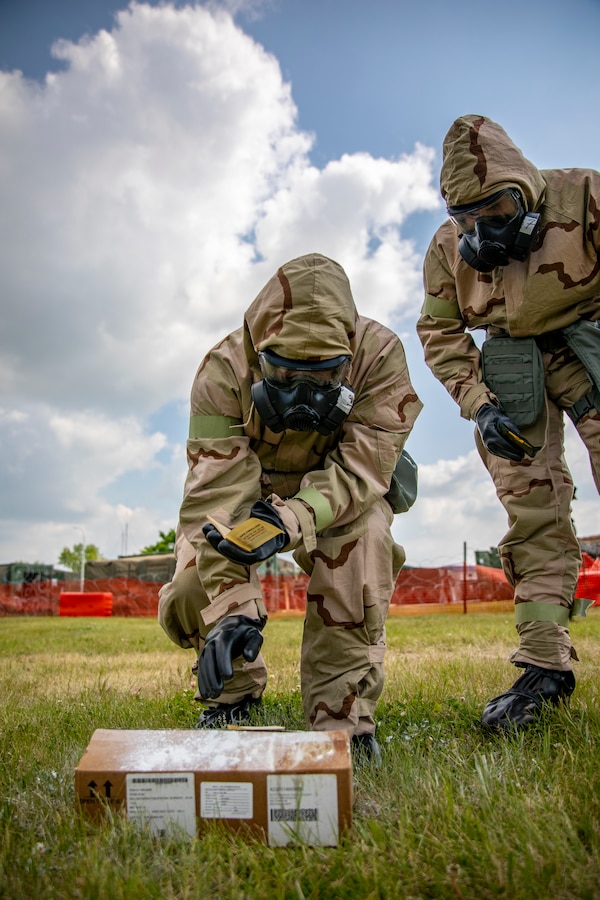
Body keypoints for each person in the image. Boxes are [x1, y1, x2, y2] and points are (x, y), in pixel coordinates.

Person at [159, 252, 422, 762]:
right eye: (283, 375)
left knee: (363, 546)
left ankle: (341, 717)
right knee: (194, 586)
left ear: (345, 360)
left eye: (322, 379)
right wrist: (233, 610)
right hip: (246, 489)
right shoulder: (221, 373)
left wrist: (296, 517)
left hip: (340, 491)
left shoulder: (379, 357)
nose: (303, 396)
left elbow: (365, 467)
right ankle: (233, 692)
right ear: (260, 356)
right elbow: (216, 501)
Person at [417, 114, 600, 730]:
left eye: (494, 212)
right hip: (511, 369)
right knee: (533, 514)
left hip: (590, 347)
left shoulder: (585, 198)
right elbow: (439, 332)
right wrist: (480, 404)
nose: (480, 231)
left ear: (524, 190)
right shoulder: (447, 252)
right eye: (465, 218)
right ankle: (545, 666)